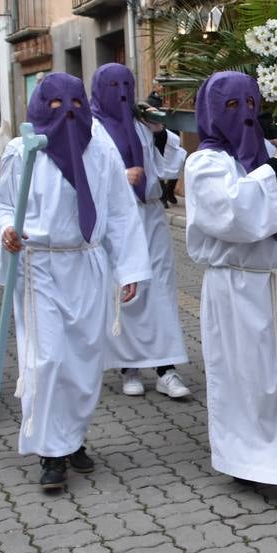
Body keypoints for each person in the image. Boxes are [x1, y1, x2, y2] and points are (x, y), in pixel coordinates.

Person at [0, 73, 149, 491]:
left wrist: (128, 268)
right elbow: (1, 204)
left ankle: (72, 437)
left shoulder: (100, 149)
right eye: (55, 106)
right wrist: (7, 228)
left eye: (75, 104)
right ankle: (50, 452)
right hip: (40, 265)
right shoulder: (22, 149)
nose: (67, 115)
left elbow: (119, 210)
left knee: (82, 362)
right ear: (41, 106)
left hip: (87, 265)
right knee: (47, 359)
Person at [183, 72, 277, 519]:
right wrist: (276, 164)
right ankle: (247, 459)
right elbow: (234, 218)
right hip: (238, 287)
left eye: (251, 104)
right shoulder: (205, 164)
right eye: (231, 107)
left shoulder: (269, 153)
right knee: (249, 380)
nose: (244, 116)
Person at [88, 63, 191, 400]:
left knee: (160, 290)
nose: (120, 92)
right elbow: (85, 177)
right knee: (125, 289)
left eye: (126, 85)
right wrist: (119, 179)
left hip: (149, 217)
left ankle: (166, 368)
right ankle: (128, 366)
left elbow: (167, 165)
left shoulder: (141, 123)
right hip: (117, 221)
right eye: (112, 85)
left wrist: (159, 132)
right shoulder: (90, 128)